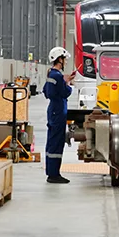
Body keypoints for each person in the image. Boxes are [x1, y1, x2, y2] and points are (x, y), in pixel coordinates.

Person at [43, 47, 75, 184]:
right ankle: (54, 175)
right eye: (64, 59)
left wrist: (63, 79)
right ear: (59, 60)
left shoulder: (52, 75)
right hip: (58, 111)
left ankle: (51, 172)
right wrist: (68, 83)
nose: (66, 61)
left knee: (52, 141)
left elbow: (46, 91)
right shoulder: (56, 76)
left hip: (54, 110)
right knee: (56, 142)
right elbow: (65, 93)